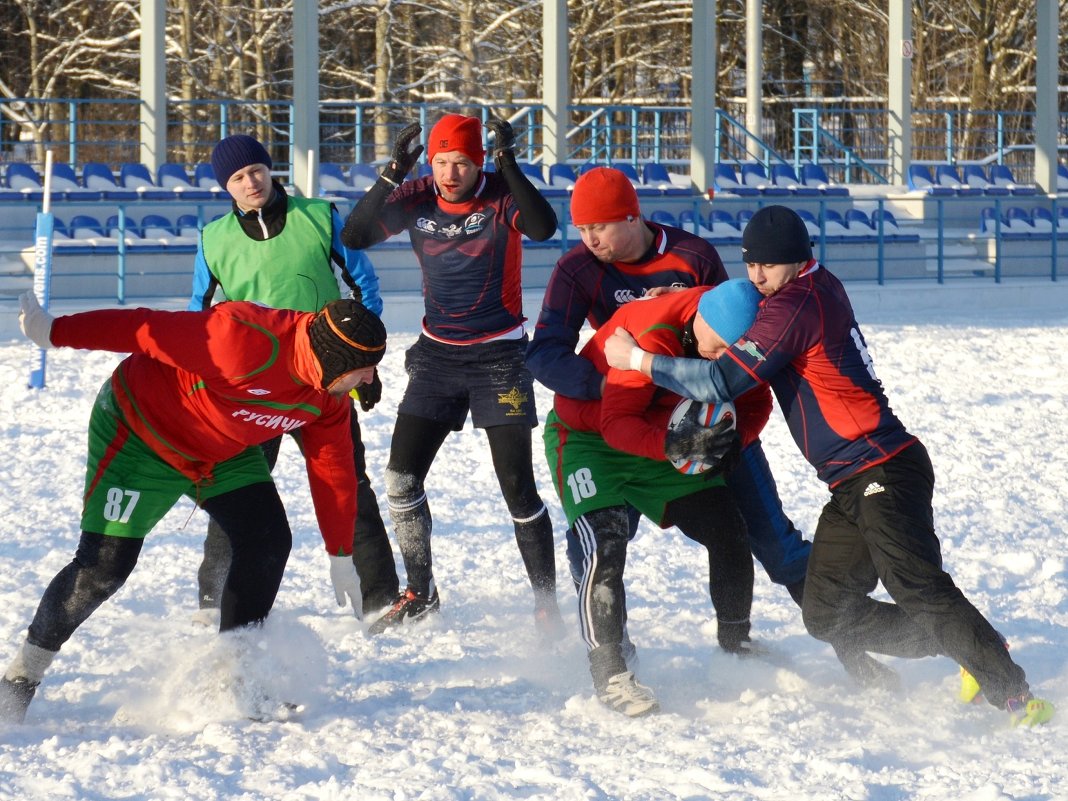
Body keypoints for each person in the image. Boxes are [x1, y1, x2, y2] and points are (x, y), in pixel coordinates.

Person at [604, 205, 1054, 727]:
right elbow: (740, 307)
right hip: (850, 481)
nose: (756, 277)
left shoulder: (797, 304)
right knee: (826, 613)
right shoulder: (807, 288)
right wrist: (686, 300)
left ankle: (1013, 692)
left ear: (797, 262)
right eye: (749, 266)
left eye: (766, 268)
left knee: (916, 585)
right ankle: (971, 644)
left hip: (883, 468)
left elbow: (722, 382)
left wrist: (635, 360)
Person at [0, 292, 388, 724]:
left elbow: (332, 468)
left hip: (221, 453)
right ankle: (20, 679)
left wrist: (340, 552)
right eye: (364, 369)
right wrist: (53, 332)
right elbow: (141, 328)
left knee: (267, 540)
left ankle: (238, 680)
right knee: (103, 569)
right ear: (331, 361)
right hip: (141, 436)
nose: (370, 380)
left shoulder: (329, 398)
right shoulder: (242, 339)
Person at [526, 167, 809, 604]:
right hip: (627, 406)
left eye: (599, 227)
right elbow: (545, 352)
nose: (590, 240)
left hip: (703, 406)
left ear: (632, 217)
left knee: (766, 534)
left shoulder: (690, 255)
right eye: (581, 229)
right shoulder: (576, 267)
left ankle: (840, 621)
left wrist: (736, 431)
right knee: (603, 539)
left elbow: (730, 334)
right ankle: (605, 636)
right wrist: (607, 384)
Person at [340, 114, 563, 637]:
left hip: (500, 358)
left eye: (461, 161)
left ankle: (546, 601)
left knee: (518, 489)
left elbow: (544, 227)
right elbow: (354, 235)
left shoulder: (499, 196)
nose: (449, 172)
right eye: (441, 161)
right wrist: (394, 171)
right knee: (401, 480)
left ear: (478, 162)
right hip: (437, 358)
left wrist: (508, 164)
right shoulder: (417, 195)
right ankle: (420, 590)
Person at [189, 133, 398, 619]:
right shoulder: (212, 239)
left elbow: (364, 282)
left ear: (269, 168)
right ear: (227, 187)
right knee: (234, 487)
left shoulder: (319, 217)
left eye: (256, 171)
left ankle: (382, 598)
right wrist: (203, 383)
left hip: (323, 380)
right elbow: (197, 317)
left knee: (350, 483)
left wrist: (364, 362)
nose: (250, 182)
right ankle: (212, 598)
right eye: (238, 178)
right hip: (253, 387)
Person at [545, 278, 767, 716]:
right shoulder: (651, 331)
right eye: (717, 346)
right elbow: (617, 423)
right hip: (591, 439)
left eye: (731, 353)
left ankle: (735, 642)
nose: (721, 360)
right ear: (700, 315)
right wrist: (674, 448)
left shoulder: (742, 340)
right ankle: (610, 672)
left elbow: (757, 399)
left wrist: (735, 439)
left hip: (663, 436)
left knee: (728, 528)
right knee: (604, 547)